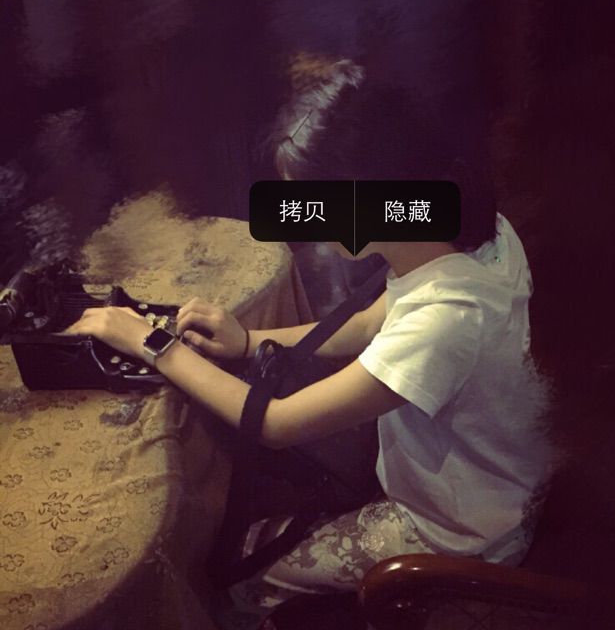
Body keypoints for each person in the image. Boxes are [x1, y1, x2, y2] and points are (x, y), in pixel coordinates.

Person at [65, 58, 553, 625]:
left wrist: (152, 343)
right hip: (504, 484)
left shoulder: (445, 322)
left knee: (245, 575)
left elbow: (277, 423)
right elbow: (371, 323)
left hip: (459, 531)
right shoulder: (473, 233)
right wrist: (249, 340)